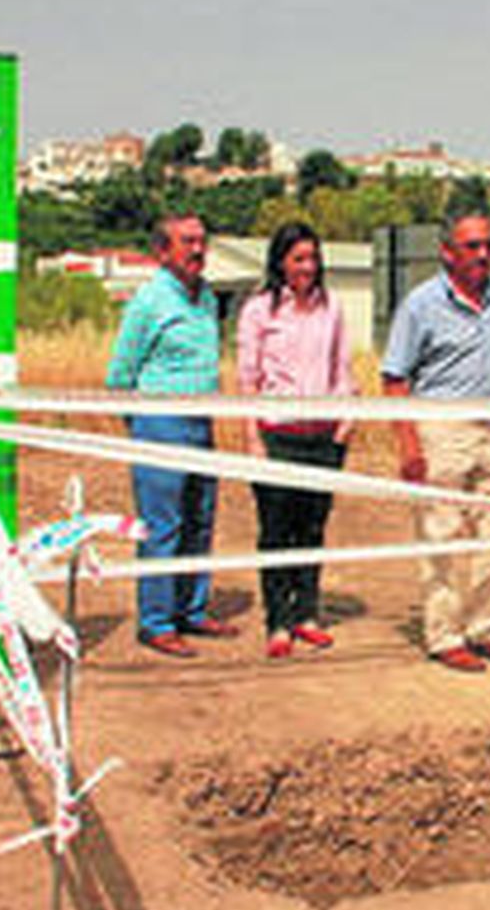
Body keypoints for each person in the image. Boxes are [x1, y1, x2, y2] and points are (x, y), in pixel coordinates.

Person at [381, 212, 490, 673]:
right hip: (439, 429)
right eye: (472, 246)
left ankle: (488, 628)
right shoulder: (420, 304)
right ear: (447, 252)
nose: (484, 255)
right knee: (439, 537)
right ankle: (444, 637)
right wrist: (409, 447)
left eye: (489, 245)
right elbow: (395, 378)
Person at [106, 214, 239, 657]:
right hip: (160, 424)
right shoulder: (148, 301)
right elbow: (120, 375)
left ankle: (192, 611)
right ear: (163, 251)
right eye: (187, 242)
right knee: (163, 526)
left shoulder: (204, 299)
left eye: (202, 241)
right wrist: (141, 427)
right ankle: (157, 621)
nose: (198, 250)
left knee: (200, 520)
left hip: (202, 423)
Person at [236, 223, 355, 660]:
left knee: (311, 528)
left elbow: (342, 367)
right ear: (281, 262)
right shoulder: (258, 310)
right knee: (275, 532)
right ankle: (277, 620)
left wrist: (345, 425)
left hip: (322, 438)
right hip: (276, 435)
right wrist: (253, 438)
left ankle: (306, 613)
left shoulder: (333, 307)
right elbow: (247, 379)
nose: (308, 266)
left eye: (313, 257)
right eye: (298, 258)